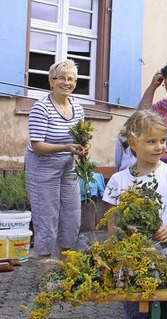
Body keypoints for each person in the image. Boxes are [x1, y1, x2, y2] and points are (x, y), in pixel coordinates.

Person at [103, 110, 167, 319]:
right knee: (136, 311)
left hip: (166, 262)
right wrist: (117, 251)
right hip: (132, 261)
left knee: (163, 312)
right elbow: (112, 220)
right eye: (151, 141)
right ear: (133, 143)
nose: (159, 146)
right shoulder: (118, 180)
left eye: (163, 140)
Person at [25, 59, 87, 271]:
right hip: (42, 167)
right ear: (51, 81)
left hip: (67, 166)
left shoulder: (77, 109)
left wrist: (82, 147)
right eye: (61, 78)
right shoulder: (41, 108)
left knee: (72, 215)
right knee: (46, 217)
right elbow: (38, 145)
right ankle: (48, 276)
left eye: (71, 79)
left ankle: (64, 270)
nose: (66, 82)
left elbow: (79, 139)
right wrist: (67, 147)